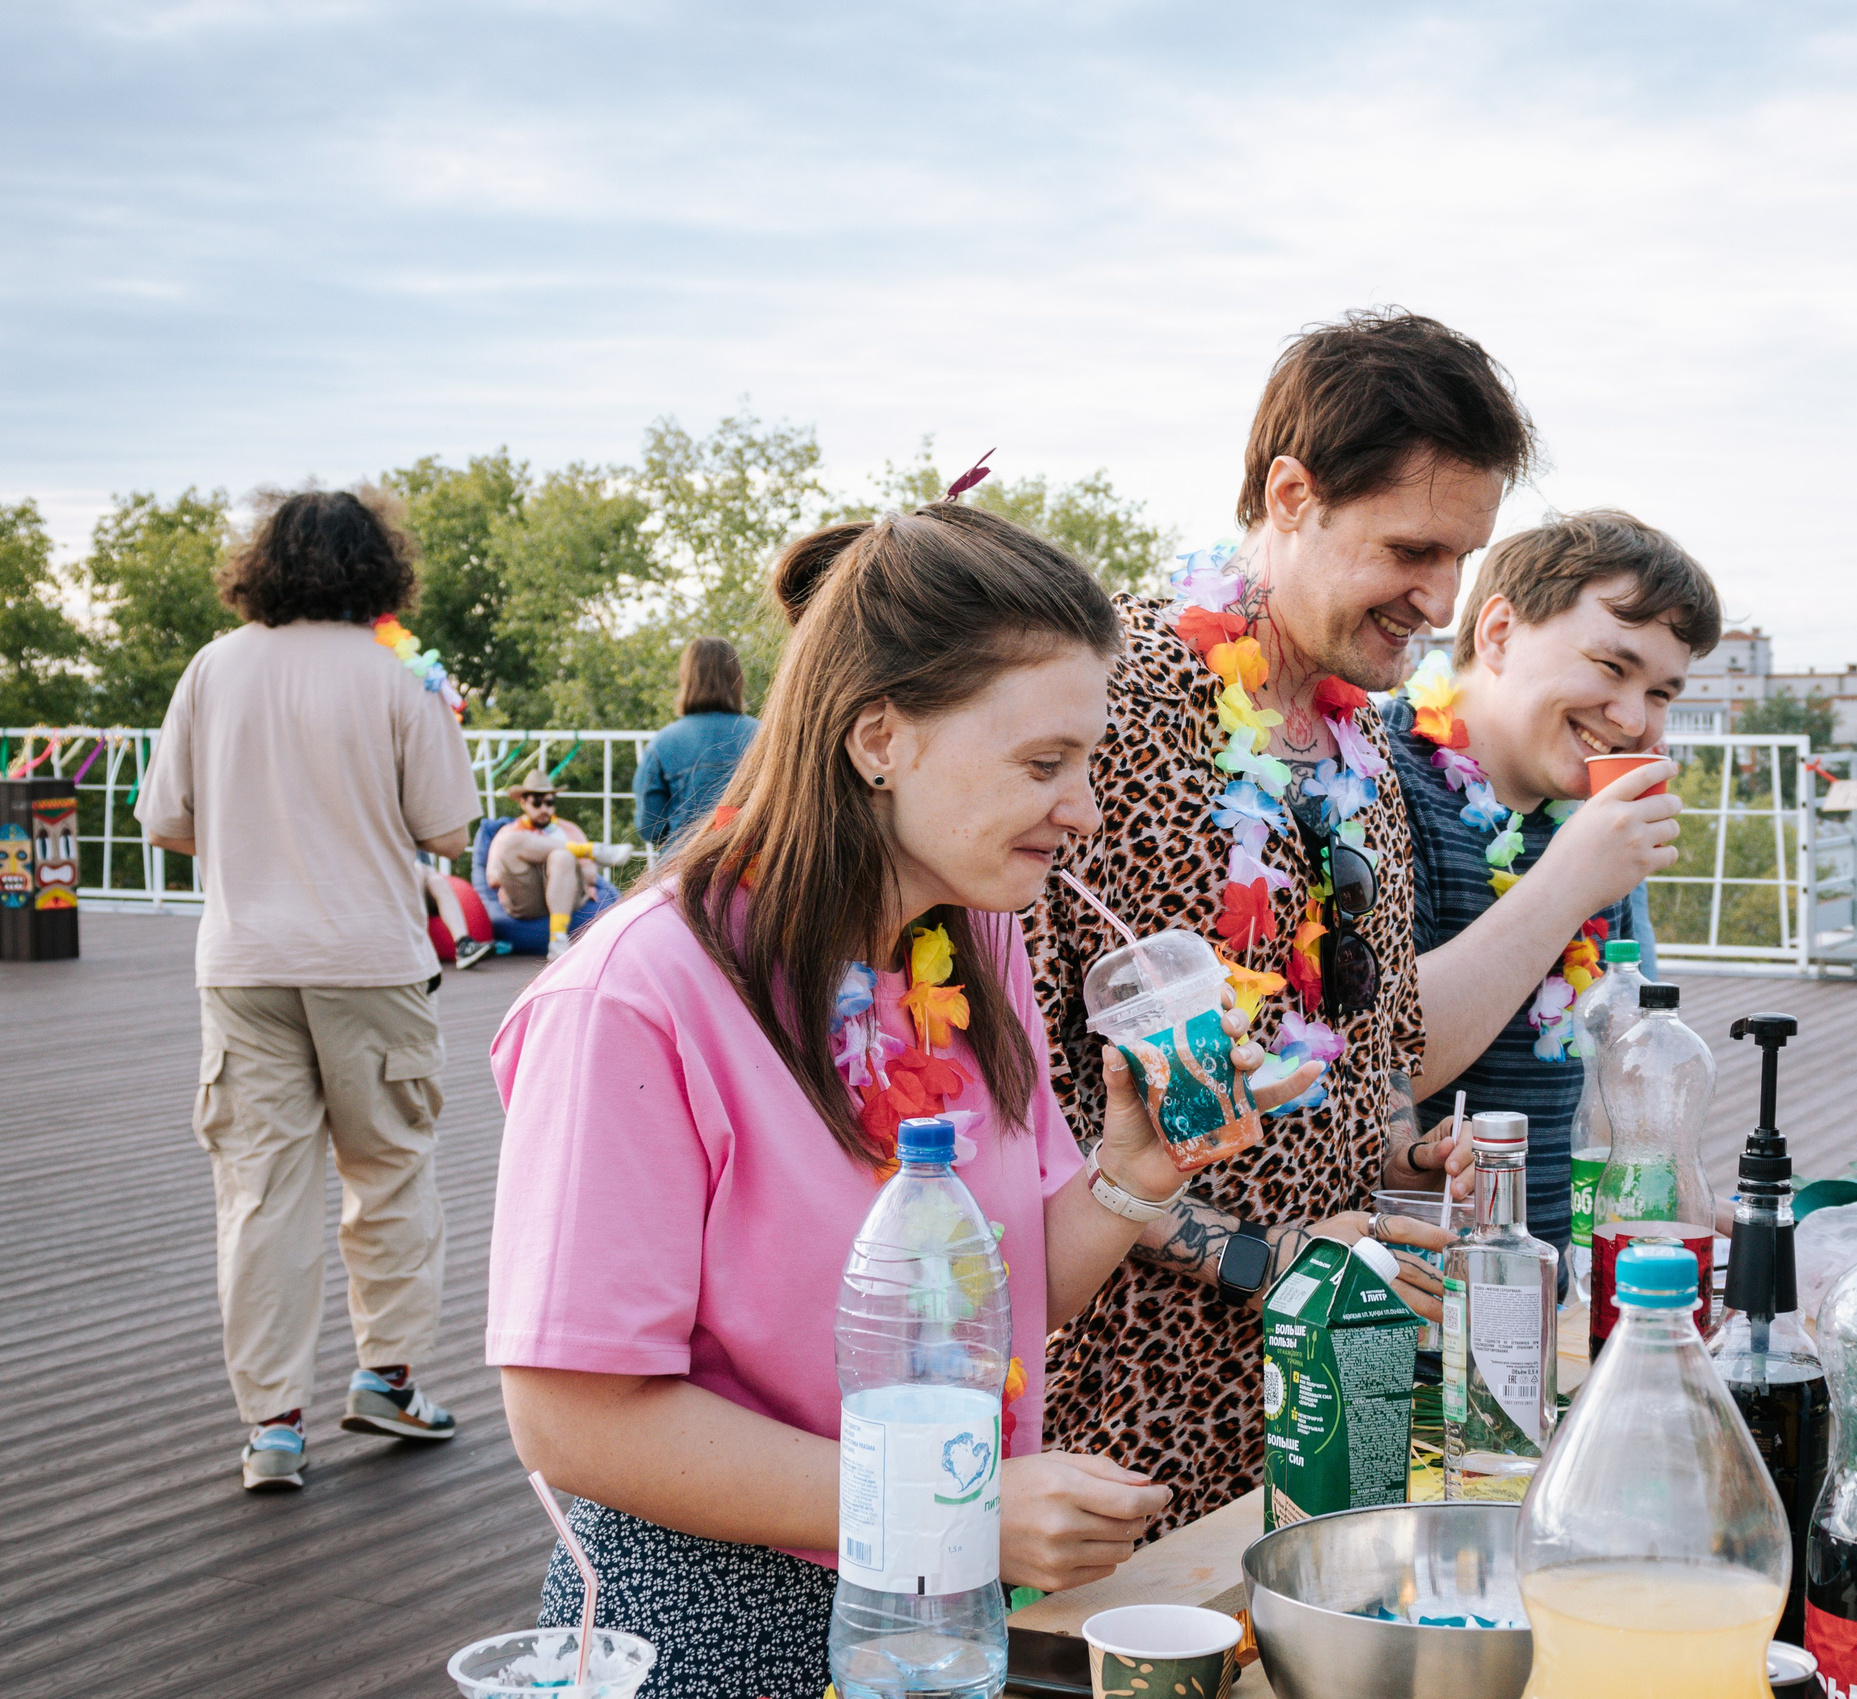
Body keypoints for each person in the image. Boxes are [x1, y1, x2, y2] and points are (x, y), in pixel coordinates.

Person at [486, 504, 1308, 1699]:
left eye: (1088, 762)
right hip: (717, 1625)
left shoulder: (973, 940)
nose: (1082, 809)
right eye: (1043, 764)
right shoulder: (633, 998)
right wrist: (952, 1503)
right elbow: (573, 1420)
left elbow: (1008, 1294)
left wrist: (1135, 1170)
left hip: (943, 1610)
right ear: (879, 737)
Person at [1025, 308, 1542, 1532]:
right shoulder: (1117, 704)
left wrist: (1402, 1160)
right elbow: (1035, 1105)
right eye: (1411, 548)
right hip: (1117, 1435)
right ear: (1292, 494)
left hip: (1320, 1409)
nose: (1440, 598)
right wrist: (1270, 1255)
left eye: (1462, 557)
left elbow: (1361, 1063)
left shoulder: (1361, 737)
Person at [137, 487, 482, 1493]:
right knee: (389, 1173)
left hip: (243, 963)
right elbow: (449, 829)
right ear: (380, 568)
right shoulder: (398, 676)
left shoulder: (214, 666)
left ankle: (274, 1427)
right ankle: (387, 1378)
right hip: (369, 960)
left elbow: (166, 821)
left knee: (259, 1197)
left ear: (264, 564)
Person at [1384, 510, 1719, 1262]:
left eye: (1662, 692)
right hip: (1418, 1302)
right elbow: (1382, 1059)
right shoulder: (1374, 777)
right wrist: (1569, 879)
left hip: (1569, 1284)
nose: (1633, 718)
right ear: (1498, 633)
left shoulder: (1595, 816)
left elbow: (1629, 1080)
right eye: (1611, 666)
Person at [485, 769, 630, 958]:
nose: (544, 808)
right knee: (512, 843)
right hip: (527, 896)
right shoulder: (509, 833)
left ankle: (558, 939)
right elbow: (493, 878)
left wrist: (556, 869)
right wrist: (535, 858)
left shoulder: (569, 829)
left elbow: (591, 875)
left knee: (561, 857)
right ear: (523, 802)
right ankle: (592, 850)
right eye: (537, 803)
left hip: (567, 894)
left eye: (549, 802)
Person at [636, 635, 759, 849]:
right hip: (752, 867)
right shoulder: (765, 736)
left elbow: (649, 828)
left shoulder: (662, 744)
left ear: (686, 679)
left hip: (681, 868)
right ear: (737, 678)